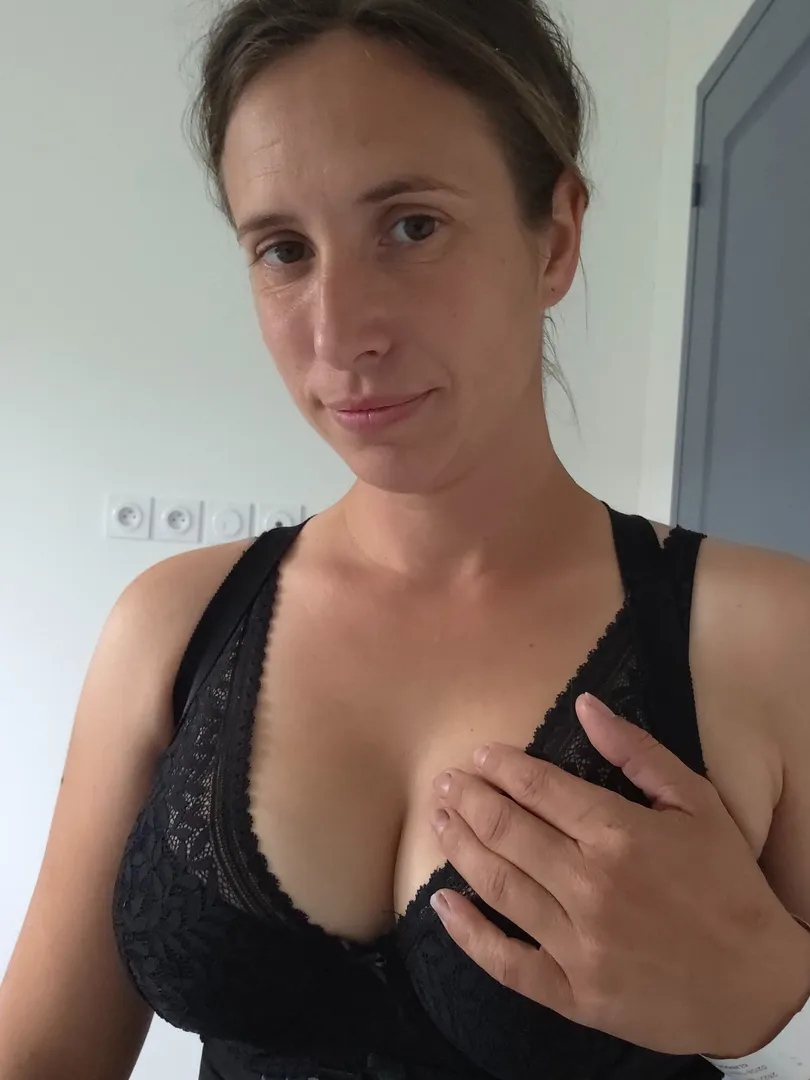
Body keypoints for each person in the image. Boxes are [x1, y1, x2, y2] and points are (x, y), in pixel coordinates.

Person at [0, 1, 808, 1078]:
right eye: (284, 249)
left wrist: (775, 987)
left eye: (412, 226)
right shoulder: (172, 627)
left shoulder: (766, 636)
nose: (339, 333)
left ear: (557, 238)